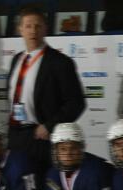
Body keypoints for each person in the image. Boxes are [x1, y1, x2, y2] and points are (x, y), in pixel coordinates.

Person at [6, 6, 87, 175]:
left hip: (41, 138)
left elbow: (76, 103)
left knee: (41, 183)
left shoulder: (60, 62)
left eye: (38, 26)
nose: (33, 31)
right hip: (16, 135)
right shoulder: (16, 60)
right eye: (28, 26)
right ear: (20, 29)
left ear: (45, 29)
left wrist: (49, 127)